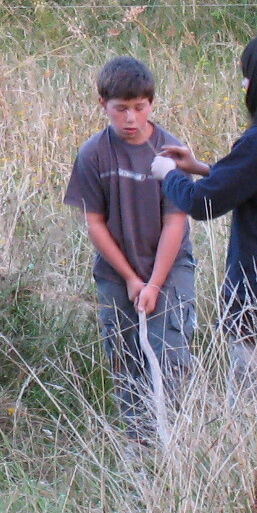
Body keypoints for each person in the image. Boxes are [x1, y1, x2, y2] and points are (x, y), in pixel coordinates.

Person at [152, 31, 257, 395]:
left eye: (248, 75)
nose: (244, 84)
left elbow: (201, 203)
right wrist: (202, 168)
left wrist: (169, 175)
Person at [63, 56, 196, 442]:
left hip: (169, 267)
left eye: (139, 107)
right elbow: (94, 223)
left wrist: (153, 283)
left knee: (169, 354)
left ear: (151, 104)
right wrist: (131, 279)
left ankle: (175, 444)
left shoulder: (169, 152)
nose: (131, 119)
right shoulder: (93, 154)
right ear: (103, 105)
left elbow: (176, 222)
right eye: (120, 109)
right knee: (125, 357)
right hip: (116, 272)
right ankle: (138, 446)